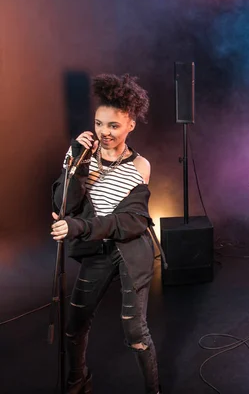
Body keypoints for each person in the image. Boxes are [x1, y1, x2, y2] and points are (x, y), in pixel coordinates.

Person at [51, 74, 160, 394]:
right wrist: (75, 160)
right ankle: (77, 380)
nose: (105, 132)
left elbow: (129, 221)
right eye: (99, 124)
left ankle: (153, 390)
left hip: (130, 251)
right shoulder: (81, 157)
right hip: (96, 251)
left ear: (131, 125)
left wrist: (80, 226)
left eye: (114, 125)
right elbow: (62, 205)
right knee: (74, 326)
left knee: (135, 332)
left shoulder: (140, 165)